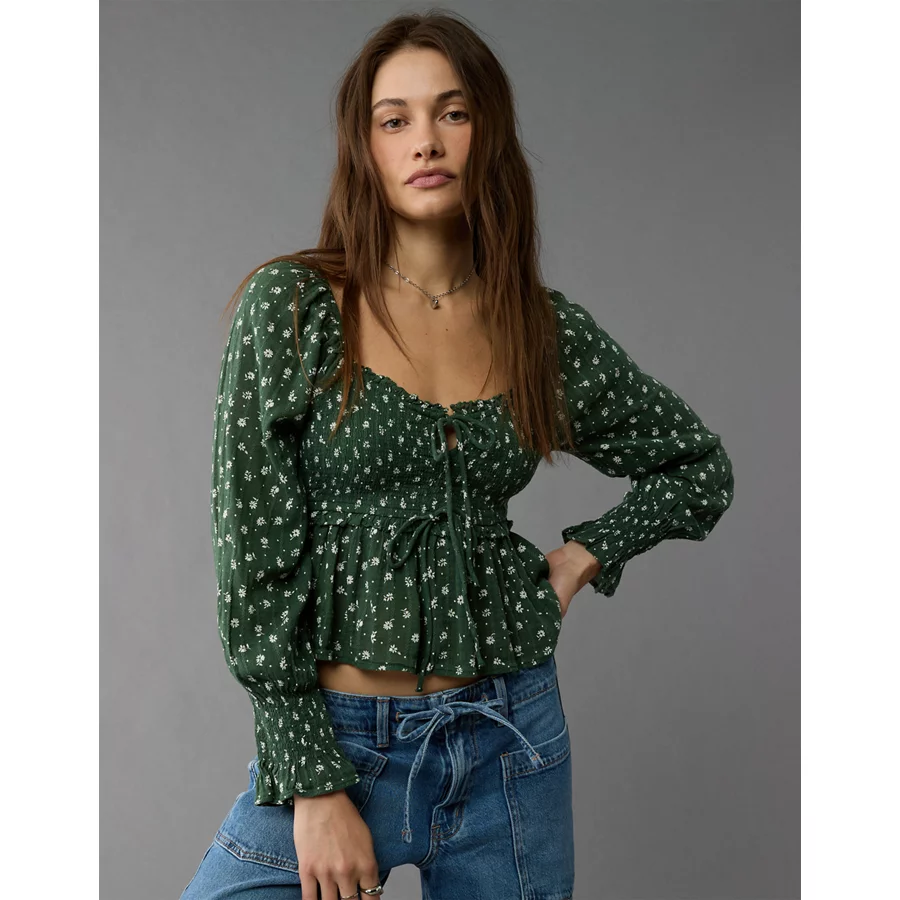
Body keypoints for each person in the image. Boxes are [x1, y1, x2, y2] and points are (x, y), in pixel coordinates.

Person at [181, 10, 734, 900]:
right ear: (364, 147)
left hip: (509, 738)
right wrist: (314, 783)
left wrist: (582, 557)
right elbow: (254, 558)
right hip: (341, 743)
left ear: (489, 133)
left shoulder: (539, 329)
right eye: (393, 119)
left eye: (453, 112)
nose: (425, 141)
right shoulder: (296, 308)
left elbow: (696, 466)